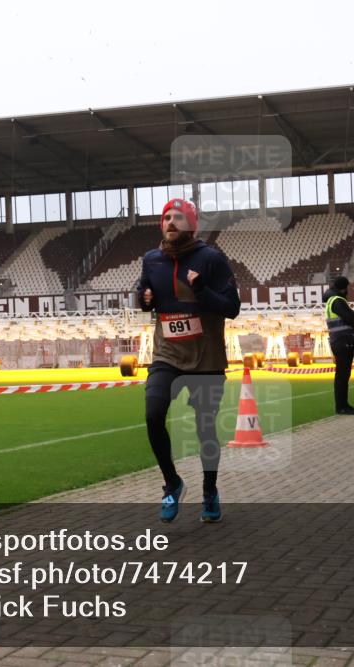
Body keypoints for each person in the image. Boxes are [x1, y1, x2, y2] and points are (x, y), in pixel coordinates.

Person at [137, 198, 241, 523]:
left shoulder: (211, 259)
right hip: (166, 353)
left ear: (192, 224)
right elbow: (144, 293)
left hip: (206, 357)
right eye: (166, 217)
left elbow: (232, 307)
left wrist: (201, 290)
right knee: (153, 414)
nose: (170, 222)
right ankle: (172, 483)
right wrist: (143, 298)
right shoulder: (152, 260)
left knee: (205, 428)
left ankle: (209, 490)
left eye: (178, 217)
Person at [323, 276, 354, 415]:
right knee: (342, 376)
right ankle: (342, 406)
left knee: (342, 375)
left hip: (339, 340)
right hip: (343, 341)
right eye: (349, 287)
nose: (350, 289)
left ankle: (343, 405)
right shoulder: (338, 301)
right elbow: (351, 319)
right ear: (344, 288)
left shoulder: (332, 300)